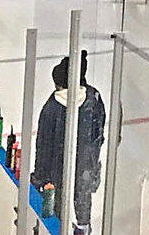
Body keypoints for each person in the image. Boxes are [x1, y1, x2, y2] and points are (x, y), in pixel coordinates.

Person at [31, 53, 106, 235]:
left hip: (57, 168)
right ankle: (83, 226)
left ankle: (61, 228)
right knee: (83, 197)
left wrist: (39, 177)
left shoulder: (51, 108)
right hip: (87, 164)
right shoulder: (93, 97)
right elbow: (99, 131)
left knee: (57, 203)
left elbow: (44, 146)